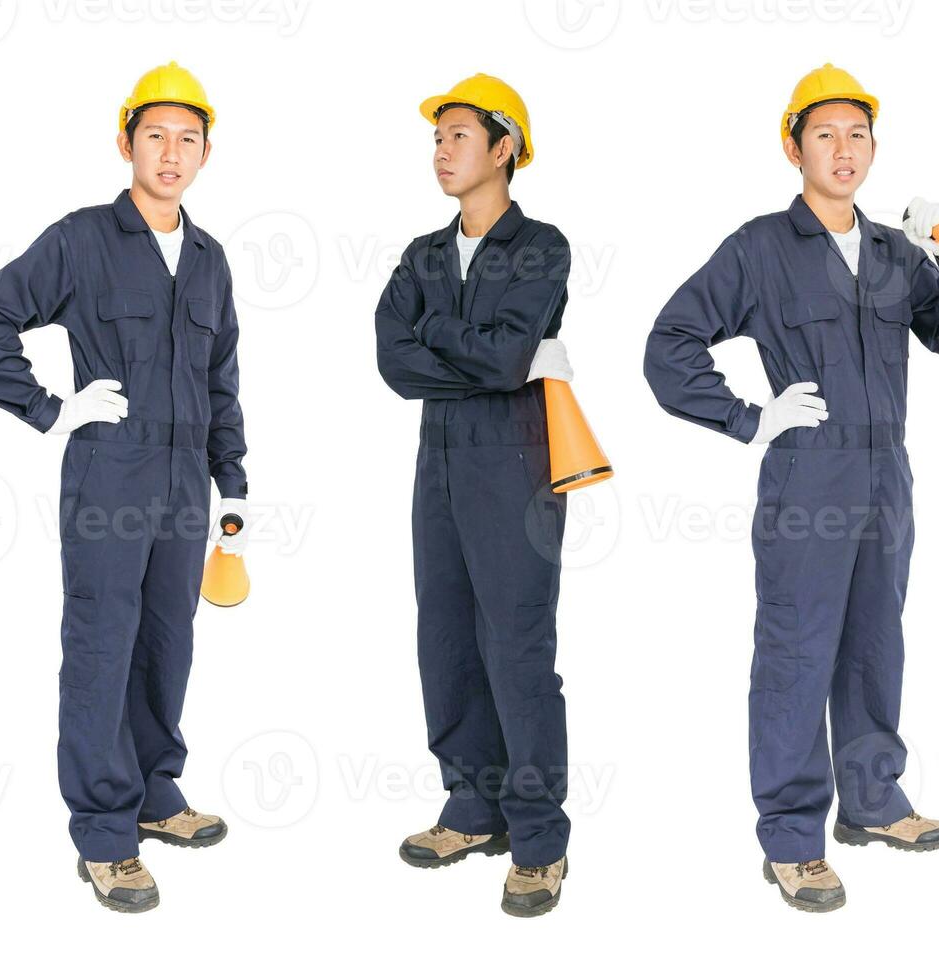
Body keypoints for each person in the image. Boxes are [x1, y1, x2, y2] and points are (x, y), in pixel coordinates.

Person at [644, 64, 939, 913]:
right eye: (826, 135)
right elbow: (669, 344)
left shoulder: (895, 251)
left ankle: (872, 802)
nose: (844, 151)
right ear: (793, 146)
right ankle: (793, 838)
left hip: (887, 478)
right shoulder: (762, 247)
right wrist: (748, 419)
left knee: (875, 641)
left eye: (858, 135)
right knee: (798, 653)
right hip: (808, 480)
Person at [0, 62, 247, 914]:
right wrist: (50, 411)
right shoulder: (82, 239)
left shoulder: (211, 257)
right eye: (155, 135)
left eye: (188, 139)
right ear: (126, 142)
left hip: (186, 486)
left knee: (167, 645)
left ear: (205, 153)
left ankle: (156, 791)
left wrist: (233, 479)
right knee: (100, 649)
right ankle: (105, 834)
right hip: (108, 478)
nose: (171, 153)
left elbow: (222, 374)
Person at [375, 73, 576, 917]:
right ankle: (471, 807)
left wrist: (443, 340)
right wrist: (477, 351)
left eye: (458, 136)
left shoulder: (545, 246)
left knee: (518, 653)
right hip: (439, 470)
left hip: (516, 470)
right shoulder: (422, 253)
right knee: (447, 641)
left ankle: (536, 841)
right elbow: (391, 360)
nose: (442, 151)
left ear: (504, 150)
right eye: (436, 138)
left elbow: (503, 361)